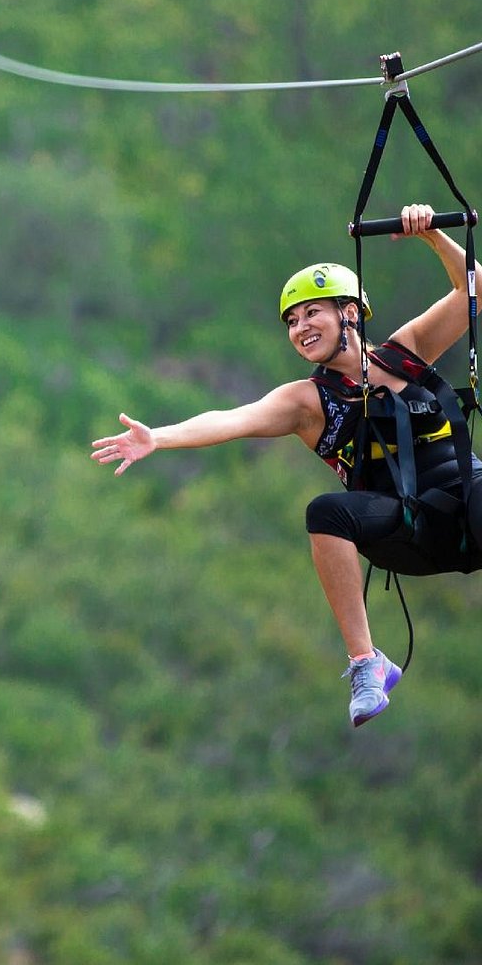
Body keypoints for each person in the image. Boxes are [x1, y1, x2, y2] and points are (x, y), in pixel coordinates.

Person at [92, 203, 481, 727]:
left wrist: (433, 235)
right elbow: (231, 419)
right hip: (412, 529)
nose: (300, 328)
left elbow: (472, 289)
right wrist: (157, 438)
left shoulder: (405, 353)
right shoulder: (306, 402)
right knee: (327, 512)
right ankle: (366, 662)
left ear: (349, 312)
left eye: (311, 313)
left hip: (470, 498)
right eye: (292, 322)